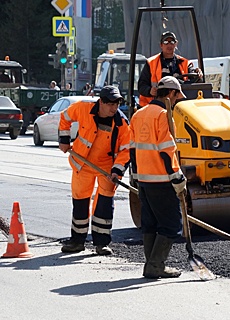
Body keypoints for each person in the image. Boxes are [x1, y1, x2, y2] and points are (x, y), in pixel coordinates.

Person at [58, 86, 131, 255]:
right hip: (82, 164)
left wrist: (117, 171)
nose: (114, 108)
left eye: (117, 104)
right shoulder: (83, 108)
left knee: (104, 205)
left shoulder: (121, 123)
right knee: (80, 202)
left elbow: (126, 150)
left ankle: (101, 244)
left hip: (107, 167)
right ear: (101, 102)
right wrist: (64, 139)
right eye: (111, 104)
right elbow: (65, 117)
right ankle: (77, 241)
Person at [129, 76, 187, 278]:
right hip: (162, 181)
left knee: (151, 224)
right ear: (170, 94)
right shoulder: (163, 116)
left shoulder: (139, 114)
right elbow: (166, 150)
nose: (178, 99)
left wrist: (135, 176)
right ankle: (155, 265)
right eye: (177, 95)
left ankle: (151, 265)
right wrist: (177, 177)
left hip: (144, 180)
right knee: (171, 225)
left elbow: (133, 149)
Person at [138, 31, 203, 107]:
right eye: (166, 42)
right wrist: (150, 91)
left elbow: (195, 81)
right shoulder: (151, 63)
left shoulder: (185, 63)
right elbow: (142, 86)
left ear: (176, 44)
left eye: (172, 42)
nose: (169, 45)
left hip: (180, 105)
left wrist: (198, 75)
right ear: (161, 45)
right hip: (156, 105)